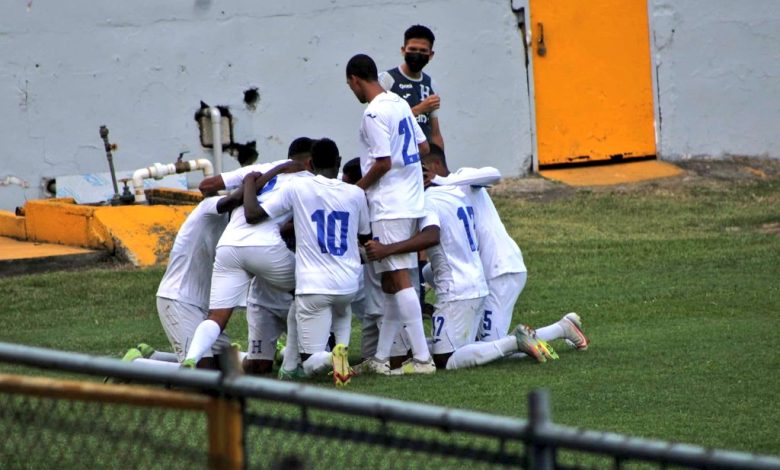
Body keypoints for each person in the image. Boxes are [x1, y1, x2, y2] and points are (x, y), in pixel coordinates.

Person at [364, 182, 554, 370]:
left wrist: (387, 249)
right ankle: (553, 330)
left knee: (444, 359)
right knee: (469, 346)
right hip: (475, 283)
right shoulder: (455, 196)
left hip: (456, 289)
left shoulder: (427, 201)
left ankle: (514, 342)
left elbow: (431, 236)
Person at [422, 145, 589, 349]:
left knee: (494, 347)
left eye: (423, 169)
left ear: (436, 164)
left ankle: (562, 328)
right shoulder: (436, 196)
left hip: (501, 271)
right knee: (430, 276)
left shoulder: (462, 179)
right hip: (482, 275)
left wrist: (443, 180)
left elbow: (494, 174)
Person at [244, 139, 371, 386]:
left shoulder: (298, 187)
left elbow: (254, 214)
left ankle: (329, 360)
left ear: (311, 163)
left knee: (312, 359)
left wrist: (249, 184)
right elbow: (365, 235)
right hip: (348, 283)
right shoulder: (356, 193)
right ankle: (341, 368)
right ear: (339, 162)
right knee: (341, 315)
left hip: (314, 284)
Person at [346, 53, 434, 375]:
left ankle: (422, 359)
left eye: (351, 86)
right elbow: (423, 148)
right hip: (410, 199)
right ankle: (381, 358)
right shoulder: (397, 102)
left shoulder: (372, 113)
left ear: (355, 80)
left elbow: (382, 162)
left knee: (399, 279)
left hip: (388, 203)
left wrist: (356, 189)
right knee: (391, 283)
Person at [181, 154, 311, 368]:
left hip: (228, 246)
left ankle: (191, 358)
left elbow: (247, 186)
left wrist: (266, 174)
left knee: (216, 317)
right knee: (307, 291)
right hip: (265, 246)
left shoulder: (265, 180)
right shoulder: (306, 182)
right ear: (309, 164)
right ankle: (295, 362)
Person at [379, 25, 444, 149]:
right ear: (403, 50)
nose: (417, 54)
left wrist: (440, 164)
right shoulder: (387, 79)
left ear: (431, 55)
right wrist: (418, 109)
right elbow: (381, 124)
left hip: (423, 159)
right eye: (412, 49)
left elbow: (435, 133)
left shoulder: (430, 84)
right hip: (396, 155)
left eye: (423, 51)